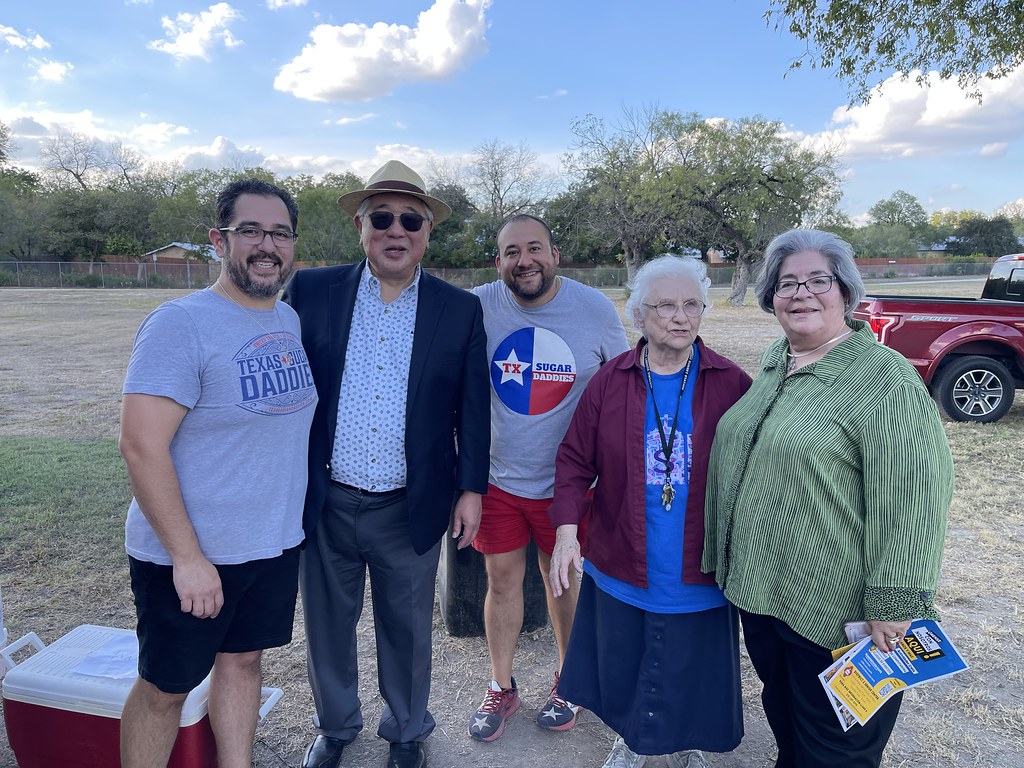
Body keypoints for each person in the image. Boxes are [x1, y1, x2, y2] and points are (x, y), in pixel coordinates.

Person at [703, 228, 953, 768]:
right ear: (771, 296)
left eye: (819, 280)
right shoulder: (777, 361)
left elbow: (913, 500)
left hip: (839, 614)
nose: (802, 294)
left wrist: (896, 603)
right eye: (787, 283)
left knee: (836, 750)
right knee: (789, 720)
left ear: (845, 290)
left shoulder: (882, 379)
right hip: (768, 599)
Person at [282, 160, 490, 768]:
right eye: (382, 217)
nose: (395, 230)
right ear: (360, 226)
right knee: (327, 626)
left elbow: (472, 411)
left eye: (410, 219)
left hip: (411, 504)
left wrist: (471, 489)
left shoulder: (459, 309)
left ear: (427, 232)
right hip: (326, 498)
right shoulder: (312, 290)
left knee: (406, 630)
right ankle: (336, 726)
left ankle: (405, 731)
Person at [118, 179, 316, 768]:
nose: (266, 245)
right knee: (166, 689)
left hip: (271, 543)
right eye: (249, 231)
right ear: (218, 240)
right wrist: (187, 558)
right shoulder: (180, 323)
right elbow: (140, 446)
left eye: (279, 233)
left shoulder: (288, 319)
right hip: (191, 555)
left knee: (244, 662)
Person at [548, 255, 750, 768]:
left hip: (698, 564)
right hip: (623, 556)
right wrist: (567, 535)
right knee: (628, 659)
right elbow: (573, 460)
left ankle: (688, 742)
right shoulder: (609, 382)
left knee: (691, 662)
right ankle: (632, 741)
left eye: (691, 305)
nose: (681, 317)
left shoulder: (732, 383)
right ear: (639, 315)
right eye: (666, 306)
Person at [466, 214, 629, 742]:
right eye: (512, 252)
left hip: (569, 483)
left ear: (554, 253)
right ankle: (500, 685)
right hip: (498, 479)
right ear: (499, 263)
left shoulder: (594, 308)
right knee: (501, 581)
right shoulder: (480, 304)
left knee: (563, 579)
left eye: (534, 248)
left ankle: (571, 680)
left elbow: (624, 384)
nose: (524, 260)